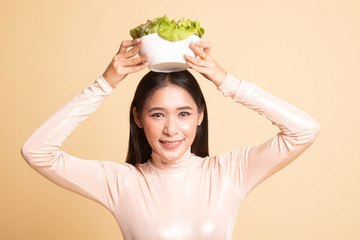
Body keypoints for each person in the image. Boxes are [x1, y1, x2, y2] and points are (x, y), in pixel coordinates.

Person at [21, 38, 320, 240]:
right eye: (158, 115)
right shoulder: (121, 183)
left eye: (184, 114)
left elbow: (304, 130)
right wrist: (104, 84)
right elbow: (36, 151)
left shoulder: (230, 173)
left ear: (200, 116)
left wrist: (226, 82)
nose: (172, 130)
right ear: (138, 118)